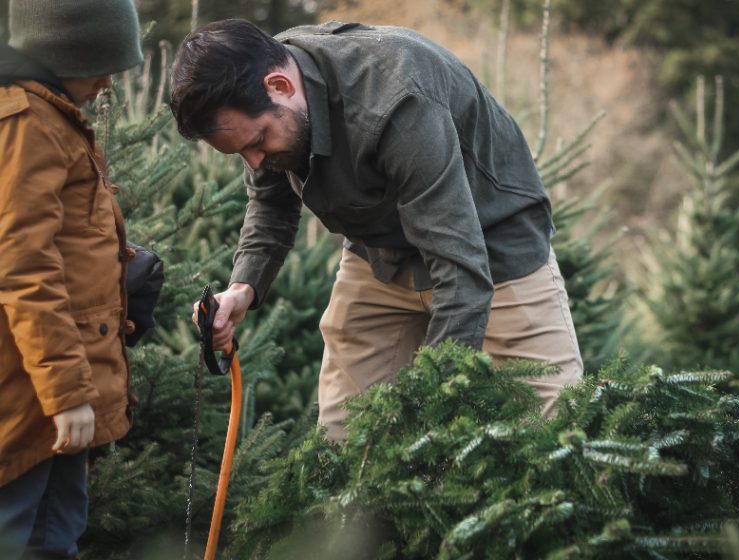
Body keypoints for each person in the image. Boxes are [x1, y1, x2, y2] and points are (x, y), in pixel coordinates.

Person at [171, 19, 583, 442]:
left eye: (258, 141)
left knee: (553, 432)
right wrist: (243, 288)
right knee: (340, 441)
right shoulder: (256, 91)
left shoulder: (397, 100)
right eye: (241, 151)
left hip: (495, 250)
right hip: (381, 253)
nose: (254, 162)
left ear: (281, 86)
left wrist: (429, 414)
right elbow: (271, 205)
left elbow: (462, 272)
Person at [0, 1, 143, 557]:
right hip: (33, 395)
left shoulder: (51, 114)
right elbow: (21, 265)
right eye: (100, 63)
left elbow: (64, 240)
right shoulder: (25, 123)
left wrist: (125, 265)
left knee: (56, 536)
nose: (108, 81)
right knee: (30, 540)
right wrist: (66, 395)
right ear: (63, 52)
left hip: (54, 389)